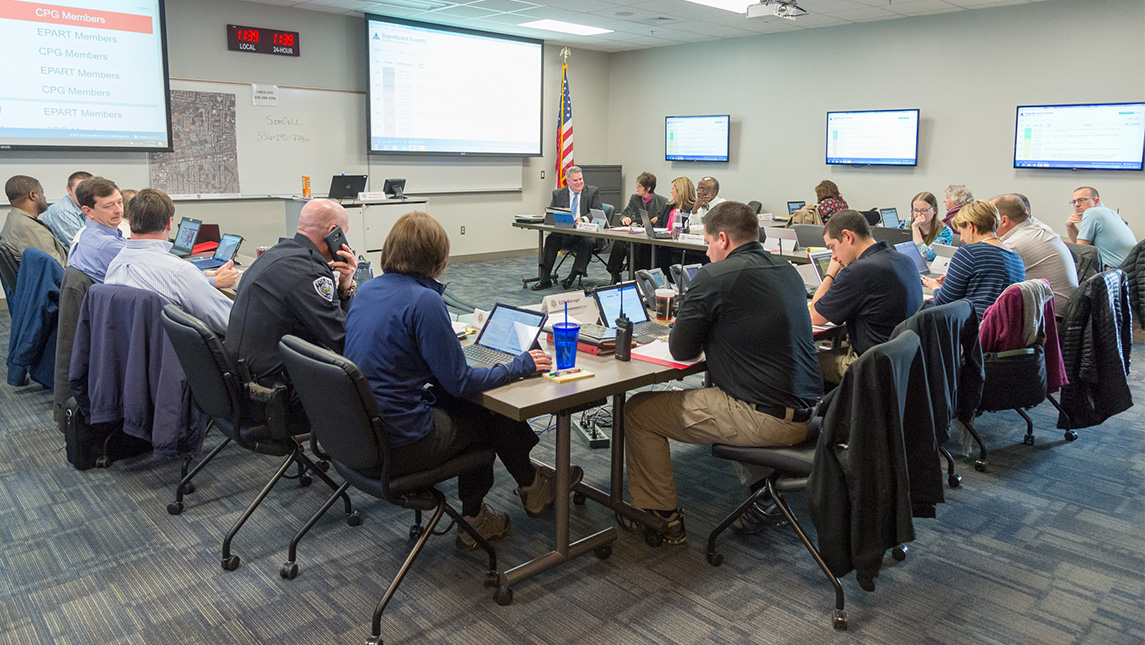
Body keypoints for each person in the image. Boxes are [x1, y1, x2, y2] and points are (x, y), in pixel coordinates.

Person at [345, 211, 581, 547]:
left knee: (460, 401)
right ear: (438, 257)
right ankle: (480, 516)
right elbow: (460, 382)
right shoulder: (424, 300)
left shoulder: (368, 290)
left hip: (364, 433)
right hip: (403, 442)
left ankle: (531, 485)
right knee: (488, 415)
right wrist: (520, 365)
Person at [623, 201, 823, 545]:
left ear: (723, 240)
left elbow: (681, 350)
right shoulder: (787, 269)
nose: (707, 249)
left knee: (638, 411)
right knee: (730, 388)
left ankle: (661, 517)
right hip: (811, 412)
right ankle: (764, 493)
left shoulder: (714, 276)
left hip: (765, 420)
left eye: (708, 242)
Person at [226, 198, 358, 391]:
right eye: (343, 234)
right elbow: (342, 339)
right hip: (273, 392)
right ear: (333, 233)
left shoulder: (277, 254)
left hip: (244, 381)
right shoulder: (308, 271)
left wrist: (345, 288)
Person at [810, 210, 923, 383]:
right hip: (903, 360)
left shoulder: (858, 271)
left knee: (802, 363)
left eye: (832, 247)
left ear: (847, 236)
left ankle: (823, 410)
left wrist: (830, 274)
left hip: (871, 364)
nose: (834, 256)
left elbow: (815, 317)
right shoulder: (904, 260)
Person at [104, 189, 235, 335]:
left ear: (129, 222)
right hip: (175, 354)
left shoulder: (116, 263)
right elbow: (232, 323)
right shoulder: (179, 273)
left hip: (132, 353)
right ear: (169, 223)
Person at [925, 199, 1026, 322]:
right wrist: (955, 280)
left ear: (970, 226)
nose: (961, 238)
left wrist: (934, 286)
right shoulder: (1016, 259)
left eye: (962, 232)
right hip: (999, 329)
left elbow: (943, 302)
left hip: (972, 329)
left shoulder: (969, 252)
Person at [994, 193, 1078, 313]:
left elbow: (993, 288)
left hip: (1049, 319)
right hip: (1061, 312)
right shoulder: (1037, 229)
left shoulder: (1014, 245)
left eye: (990, 218)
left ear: (1004, 220)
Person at [532, 166, 602, 290]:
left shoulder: (592, 192)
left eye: (580, 179)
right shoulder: (558, 194)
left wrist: (582, 219)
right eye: (575, 180)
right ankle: (545, 278)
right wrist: (547, 214)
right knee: (551, 240)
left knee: (588, 242)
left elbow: (597, 211)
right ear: (568, 181)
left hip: (584, 234)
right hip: (565, 233)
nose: (579, 182)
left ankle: (572, 277)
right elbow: (552, 210)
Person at [606, 171, 667, 283]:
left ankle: (637, 275)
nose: (636, 187)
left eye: (639, 186)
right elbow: (625, 213)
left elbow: (665, 222)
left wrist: (659, 220)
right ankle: (614, 273)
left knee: (635, 247)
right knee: (620, 241)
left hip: (650, 239)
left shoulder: (662, 201)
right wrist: (624, 219)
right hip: (635, 234)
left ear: (648, 189)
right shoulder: (635, 198)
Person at [67, 177, 126, 283]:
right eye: (109, 206)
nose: (118, 210)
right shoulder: (108, 246)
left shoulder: (86, 234)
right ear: (88, 211)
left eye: (120, 202)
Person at [1, 175, 68, 267]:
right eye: (42, 193)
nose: (44, 198)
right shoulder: (29, 227)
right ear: (33, 195)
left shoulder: (14, 219)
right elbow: (57, 270)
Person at [1066, 186, 1136, 268]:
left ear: (1096, 201)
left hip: (1114, 271)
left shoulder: (1091, 212)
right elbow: (1081, 248)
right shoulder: (1109, 212)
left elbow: (1081, 252)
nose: (1077, 205)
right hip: (1129, 271)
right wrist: (1069, 226)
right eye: (1074, 202)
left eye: (1081, 200)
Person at [39, 171, 92, 246]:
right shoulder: (62, 211)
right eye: (79, 190)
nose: (84, 195)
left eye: (89, 190)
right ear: (69, 190)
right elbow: (83, 245)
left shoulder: (90, 207)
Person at [901, 191, 953, 261]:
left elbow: (926, 255)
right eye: (916, 210)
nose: (919, 214)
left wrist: (915, 228)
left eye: (924, 210)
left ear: (934, 210)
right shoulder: (906, 223)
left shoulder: (945, 232)